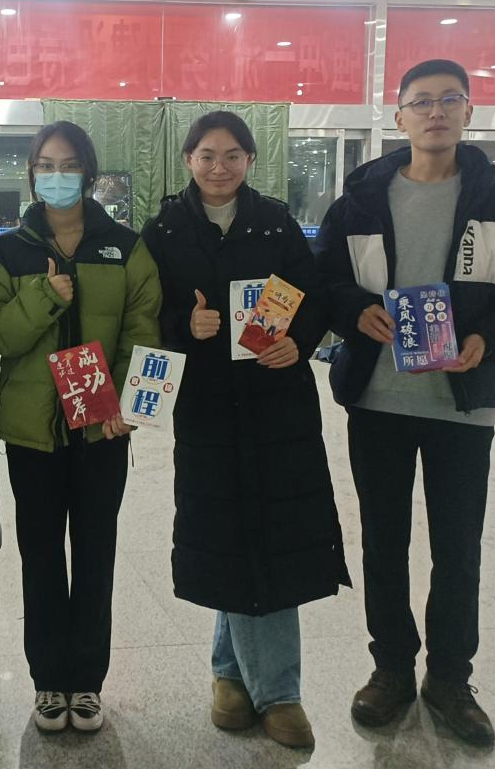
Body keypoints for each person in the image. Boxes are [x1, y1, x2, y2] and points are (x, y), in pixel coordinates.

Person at [316, 59, 495, 749]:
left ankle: (450, 678)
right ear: (398, 117)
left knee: (457, 547)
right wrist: (353, 313)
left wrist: (488, 340)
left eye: (449, 99)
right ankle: (390, 668)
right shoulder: (360, 201)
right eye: (420, 102)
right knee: (383, 541)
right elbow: (324, 281)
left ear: (468, 111)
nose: (435, 112)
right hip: (379, 399)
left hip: (462, 403)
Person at [142, 111, 349, 750]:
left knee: (274, 530)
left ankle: (264, 686)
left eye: (233, 155)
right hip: (205, 404)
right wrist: (183, 326)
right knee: (227, 530)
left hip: (274, 399)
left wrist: (299, 341)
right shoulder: (164, 229)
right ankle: (248, 680)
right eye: (207, 155)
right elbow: (141, 310)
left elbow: (312, 295)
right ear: (187, 160)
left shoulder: (276, 222)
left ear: (251, 161)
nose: (219, 167)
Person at [0, 120, 162, 735]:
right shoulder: (6, 251)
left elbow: (142, 327)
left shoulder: (125, 247)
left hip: (101, 432)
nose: (57, 176)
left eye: (69, 165)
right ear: (33, 174)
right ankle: (46, 680)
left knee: (96, 553)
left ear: (88, 171)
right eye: (46, 166)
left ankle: (87, 681)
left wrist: (125, 405)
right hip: (32, 433)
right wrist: (46, 297)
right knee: (40, 557)